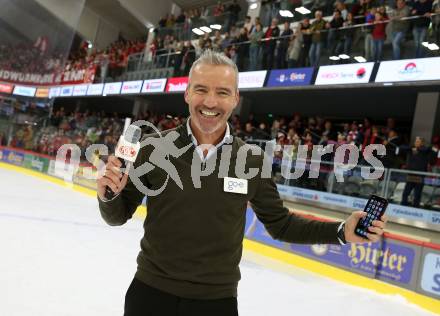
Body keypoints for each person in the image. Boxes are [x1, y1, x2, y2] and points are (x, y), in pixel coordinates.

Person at [97, 50, 387, 316]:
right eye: (201, 89)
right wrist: (108, 195)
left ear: (235, 98)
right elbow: (117, 216)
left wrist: (340, 231)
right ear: (187, 94)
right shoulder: (152, 148)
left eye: (222, 92)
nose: (210, 102)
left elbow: (281, 224)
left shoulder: (252, 160)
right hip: (149, 296)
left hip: (216, 303)